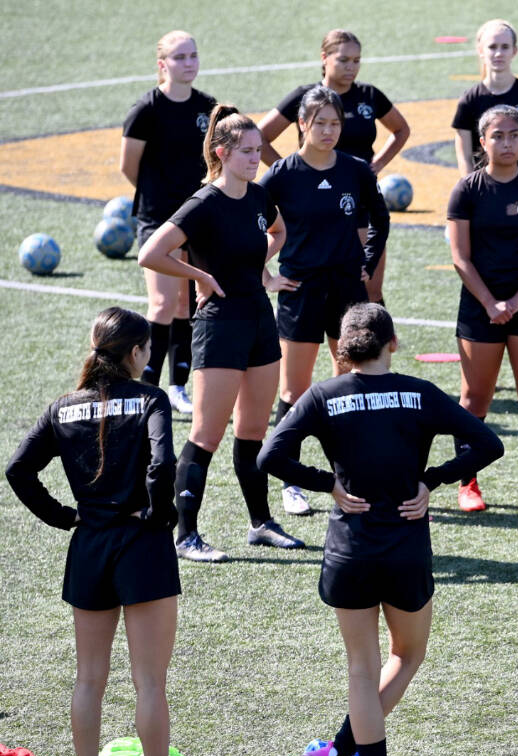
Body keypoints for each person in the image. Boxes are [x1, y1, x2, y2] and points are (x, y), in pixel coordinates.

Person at [258, 303, 503, 756]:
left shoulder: (323, 394)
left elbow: (268, 457)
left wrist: (329, 486)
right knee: (407, 656)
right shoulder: (419, 392)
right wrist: (433, 480)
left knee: (361, 672)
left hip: (349, 551)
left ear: (343, 348)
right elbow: (489, 443)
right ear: (392, 343)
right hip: (405, 550)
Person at [5, 307, 204, 756]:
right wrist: (159, 516)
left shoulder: (62, 407)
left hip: (89, 546)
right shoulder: (150, 398)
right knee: (150, 681)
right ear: (136, 353)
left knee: (88, 677)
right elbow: (164, 464)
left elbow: (18, 470)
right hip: (141, 547)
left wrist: (65, 517)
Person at [138, 105, 304, 561]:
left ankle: (261, 523)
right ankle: (186, 534)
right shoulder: (203, 202)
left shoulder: (256, 195)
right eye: (248, 152)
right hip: (219, 328)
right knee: (207, 434)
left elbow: (278, 230)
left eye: (258, 151)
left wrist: (261, 269)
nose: (257, 159)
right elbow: (151, 253)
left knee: (253, 431)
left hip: (259, 321)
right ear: (221, 152)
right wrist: (201, 277)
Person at [259, 86, 390, 517]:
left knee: (348, 383)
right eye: (321, 123)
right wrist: (266, 275)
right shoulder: (281, 174)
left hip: (347, 293)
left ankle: (348, 472)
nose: (330, 131)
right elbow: (245, 221)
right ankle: (291, 481)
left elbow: (380, 217)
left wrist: (368, 263)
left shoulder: (355, 170)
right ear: (303, 124)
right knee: (295, 390)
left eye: (336, 123)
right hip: (300, 290)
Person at [446, 105, 518, 511]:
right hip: (479, 307)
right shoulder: (467, 190)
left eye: (514, 135)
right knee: (475, 399)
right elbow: (461, 257)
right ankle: (468, 484)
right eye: (498, 136)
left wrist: (515, 301)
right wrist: (491, 302)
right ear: (483, 142)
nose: (507, 143)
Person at [258, 29, 410, 305]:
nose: (351, 67)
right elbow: (260, 137)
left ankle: (374, 346)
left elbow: (401, 129)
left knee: (369, 290)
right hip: (313, 205)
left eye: (356, 60)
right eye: (343, 60)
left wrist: (377, 166)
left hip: (356, 201)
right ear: (324, 58)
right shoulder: (305, 97)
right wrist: (290, 173)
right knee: (316, 289)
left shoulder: (369, 95)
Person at [120, 30, 217, 415]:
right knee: (161, 303)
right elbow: (129, 166)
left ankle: (177, 387)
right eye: (179, 57)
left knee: (186, 304)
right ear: (162, 65)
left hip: (196, 219)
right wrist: (156, 204)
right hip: (158, 220)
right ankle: (146, 388)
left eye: (193, 55)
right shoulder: (146, 109)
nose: (188, 63)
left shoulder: (209, 108)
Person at [452, 20, 518, 177]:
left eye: (505, 47)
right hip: (484, 192)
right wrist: (474, 193)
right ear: (481, 51)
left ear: (514, 51)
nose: (498, 53)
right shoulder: (469, 100)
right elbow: (464, 159)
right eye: (492, 47)